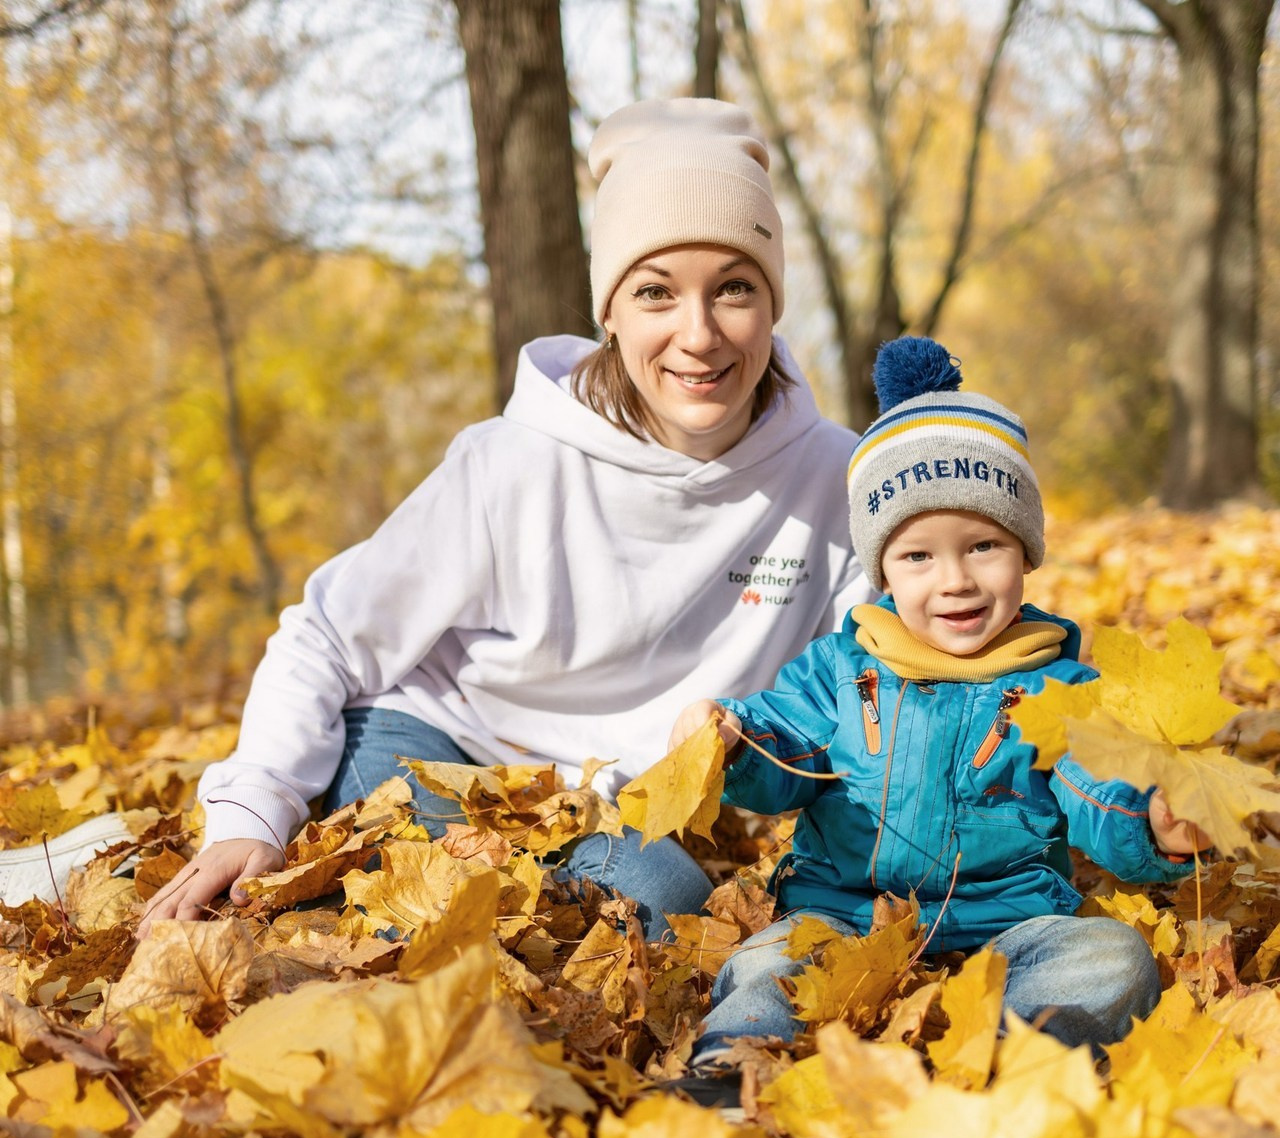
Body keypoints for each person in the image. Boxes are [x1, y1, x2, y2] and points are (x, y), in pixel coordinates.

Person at [120, 98, 873, 939]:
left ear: (772, 303)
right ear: (610, 312)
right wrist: (254, 809)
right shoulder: (510, 463)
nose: (697, 335)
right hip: (434, 748)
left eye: (733, 289)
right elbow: (327, 633)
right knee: (622, 904)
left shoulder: (834, 480)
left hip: (610, 810)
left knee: (667, 904)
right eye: (656, 293)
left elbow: (876, 686)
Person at [664, 334, 1210, 1103]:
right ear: (883, 568)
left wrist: (1151, 820)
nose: (954, 580)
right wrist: (730, 741)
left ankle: (999, 1067)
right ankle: (730, 1073)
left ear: (1026, 552)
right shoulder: (841, 669)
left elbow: (1097, 784)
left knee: (1112, 958)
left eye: (983, 545)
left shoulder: (1059, 684)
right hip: (845, 916)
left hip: (1010, 927)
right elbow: (781, 746)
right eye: (918, 556)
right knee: (765, 963)